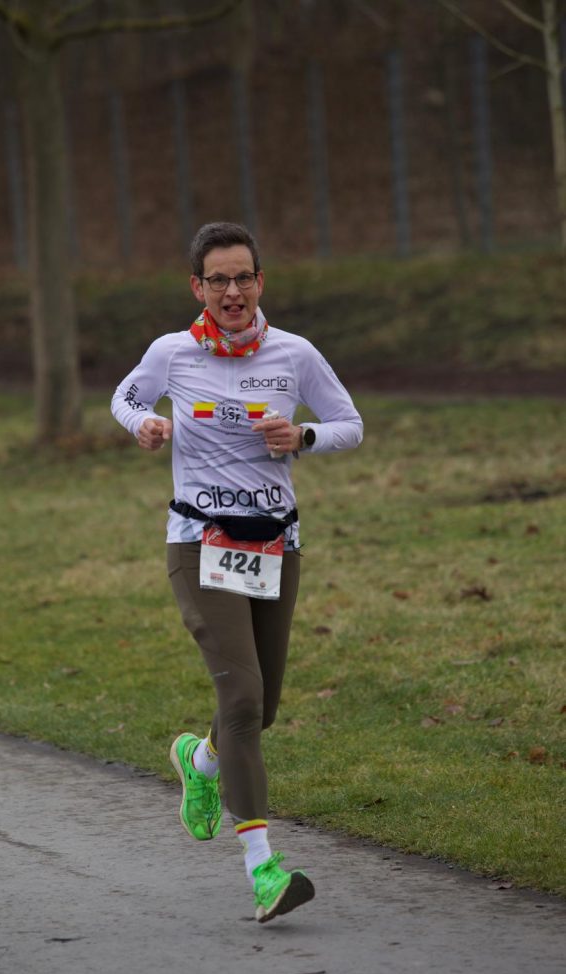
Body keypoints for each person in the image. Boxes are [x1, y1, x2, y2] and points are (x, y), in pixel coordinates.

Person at [111, 222, 363, 923]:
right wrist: (144, 426)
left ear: (260, 282)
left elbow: (351, 422)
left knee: (261, 707)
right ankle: (264, 870)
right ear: (197, 287)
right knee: (243, 698)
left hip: (275, 546)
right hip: (198, 543)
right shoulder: (172, 353)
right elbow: (124, 398)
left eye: (243, 277)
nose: (232, 291)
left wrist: (304, 435)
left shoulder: (294, 354)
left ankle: (199, 763)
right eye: (217, 279)